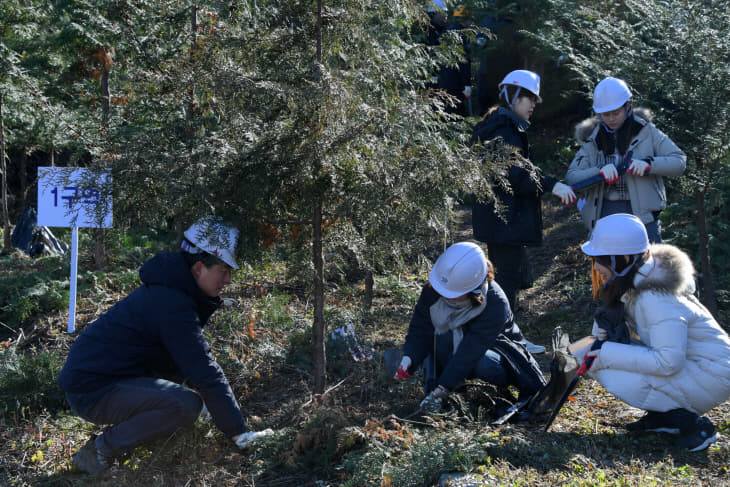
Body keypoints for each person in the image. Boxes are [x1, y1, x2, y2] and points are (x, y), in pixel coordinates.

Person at [57, 216, 272, 476]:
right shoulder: (172, 303)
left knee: (188, 402)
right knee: (183, 406)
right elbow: (202, 368)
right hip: (91, 390)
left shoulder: (175, 290)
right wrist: (239, 433)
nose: (227, 280)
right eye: (222, 271)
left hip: (107, 378)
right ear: (198, 268)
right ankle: (100, 450)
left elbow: (180, 361)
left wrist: (215, 408)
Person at [576, 213, 730, 451]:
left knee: (599, 361)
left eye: (600, 259)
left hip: (712, 374)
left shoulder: (655, 297)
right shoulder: (641, 281)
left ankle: (693, 425)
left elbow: (668, 361)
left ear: (623, 259)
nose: (596, 267)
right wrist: (605, 333)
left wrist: (604, 352)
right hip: (701, 367)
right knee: (588, 353)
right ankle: (664, 418)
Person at [471, 69, 577, 354]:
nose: (533, 104)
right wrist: (552, 185)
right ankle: (506, 339)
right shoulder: (505, 130)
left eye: (535, 99)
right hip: (504, 220)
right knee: (506, 281)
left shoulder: (500, 125)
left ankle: (506, 336)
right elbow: (516, 173)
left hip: (500, 220)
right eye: (528, 98)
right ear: (511, 96)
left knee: (508, 278)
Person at [393, 242, 546, 413]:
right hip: (458, 348)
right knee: (439, 335)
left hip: (495, 352)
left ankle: (494, 389)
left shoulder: (495, 303)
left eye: (453, 294)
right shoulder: (436, 287)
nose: (445, 295)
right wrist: (409, 357)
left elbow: (470, 351)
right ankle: (450, 385)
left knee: (484, 363)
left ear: (473, 287)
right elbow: (420, 328)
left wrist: (442, 389)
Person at [566, 77, 686, 242]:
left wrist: (649, 165)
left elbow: (679, 162)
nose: (611, 119)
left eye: (616, 113)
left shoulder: (648, 132)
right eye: (605, 114)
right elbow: (572, 176)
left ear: (628, 106)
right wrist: (599, 171)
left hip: (643, 217)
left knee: (647, 266)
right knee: (608, 267)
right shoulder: (593, 139)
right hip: (605, 214)